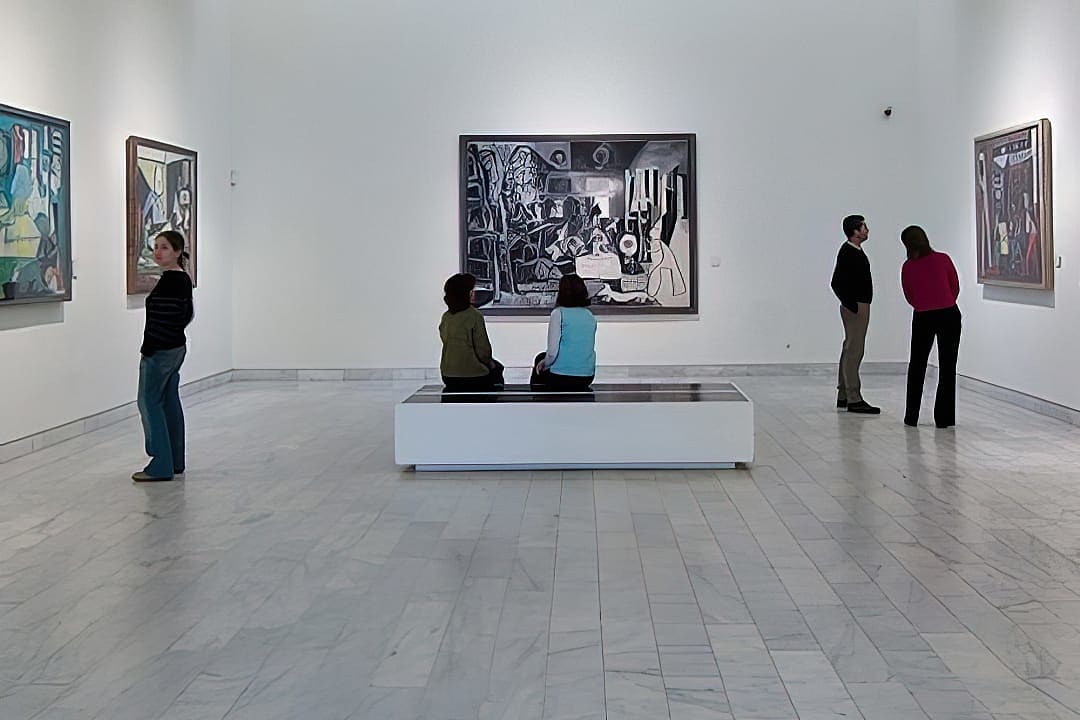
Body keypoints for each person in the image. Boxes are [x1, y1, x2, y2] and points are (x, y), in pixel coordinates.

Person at [134, 230, 194, 482]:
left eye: (165, 247)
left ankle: (160, 463)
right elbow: (187, 315)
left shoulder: (172, 280)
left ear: (178, 252)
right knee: (168, 401)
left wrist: (152, 347)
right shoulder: (179, 279)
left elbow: (169, 318)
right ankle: (174, 460)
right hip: (173, 348)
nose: (158, 252)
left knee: (149, 402)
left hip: (160, 351)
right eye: (156, 247)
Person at [900, 225, 961, 428]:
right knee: (947, 366)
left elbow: (909, 295)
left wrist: (924, 304)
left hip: (923, 316)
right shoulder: (943, 259)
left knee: (917, 364)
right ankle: (944, 419)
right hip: (948, 314)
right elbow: (955, 287)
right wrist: (943, 301)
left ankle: (911, 416)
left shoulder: (908, 266)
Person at [831, 214, 879, 414]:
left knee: (849, 348)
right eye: (863, 227)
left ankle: (844, 394)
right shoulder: (849, 252)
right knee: (854, 350)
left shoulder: (854, 252)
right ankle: (854, 397)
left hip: (858, 305)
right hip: (856, 307)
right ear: (855, 232)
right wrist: (852, 305)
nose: (867, 230)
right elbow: (836, 282)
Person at [531, 274, 596, 391]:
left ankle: (537, 404)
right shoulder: (590, 315)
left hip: (561, 376)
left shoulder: (558, 313)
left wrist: (543, 364)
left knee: (539, 360)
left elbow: (552, 353)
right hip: (587, 377)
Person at [439, 273, 504, 391]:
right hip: (473, 376)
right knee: (498, 370)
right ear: (467, 294)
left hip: (447, 375)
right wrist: (491, 364)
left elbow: (445, 340)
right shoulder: (474, 316)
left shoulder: (446, 317)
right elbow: (483, 352)